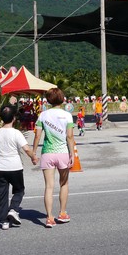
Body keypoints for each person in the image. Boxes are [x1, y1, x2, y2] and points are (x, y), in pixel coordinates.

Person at [32, 87, 76, 228]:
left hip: (47, 153)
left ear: (49, 100)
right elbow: (70, 136)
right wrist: (72, 154)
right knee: (64, 184)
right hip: (63, 153)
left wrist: (33, 152)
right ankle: (62, 213)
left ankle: (49, 217)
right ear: (62, 99)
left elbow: (37, 136)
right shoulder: (67, 115)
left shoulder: (43, 115)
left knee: (49, 187)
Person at [0, 105, 37, 230]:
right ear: (14, 118)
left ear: (1, 118)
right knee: (19, 190)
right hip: (14, 166)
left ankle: (4, 221)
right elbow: (26, 149)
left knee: (2, 194)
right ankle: (13, 209)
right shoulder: (16, 133)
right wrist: (33, 157)